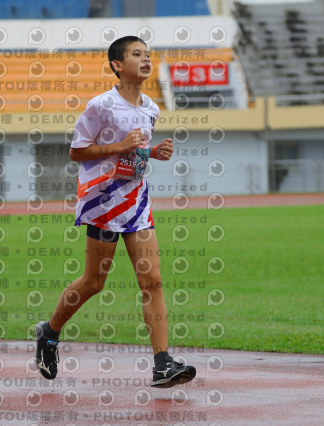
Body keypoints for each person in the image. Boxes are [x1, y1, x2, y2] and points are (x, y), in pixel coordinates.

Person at [34, 36, 196, 388]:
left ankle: (162, 363)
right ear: (117, 65)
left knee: (152, 280)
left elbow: (133, 154)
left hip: (136, 200)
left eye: (148, 54)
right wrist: (119, 145)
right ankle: (49, 333)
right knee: (94, 282)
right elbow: (77, 151)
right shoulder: (101, 106)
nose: (146, 59)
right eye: (137, 54)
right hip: (104, 203)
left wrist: (153, 153)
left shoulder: (151, 108)